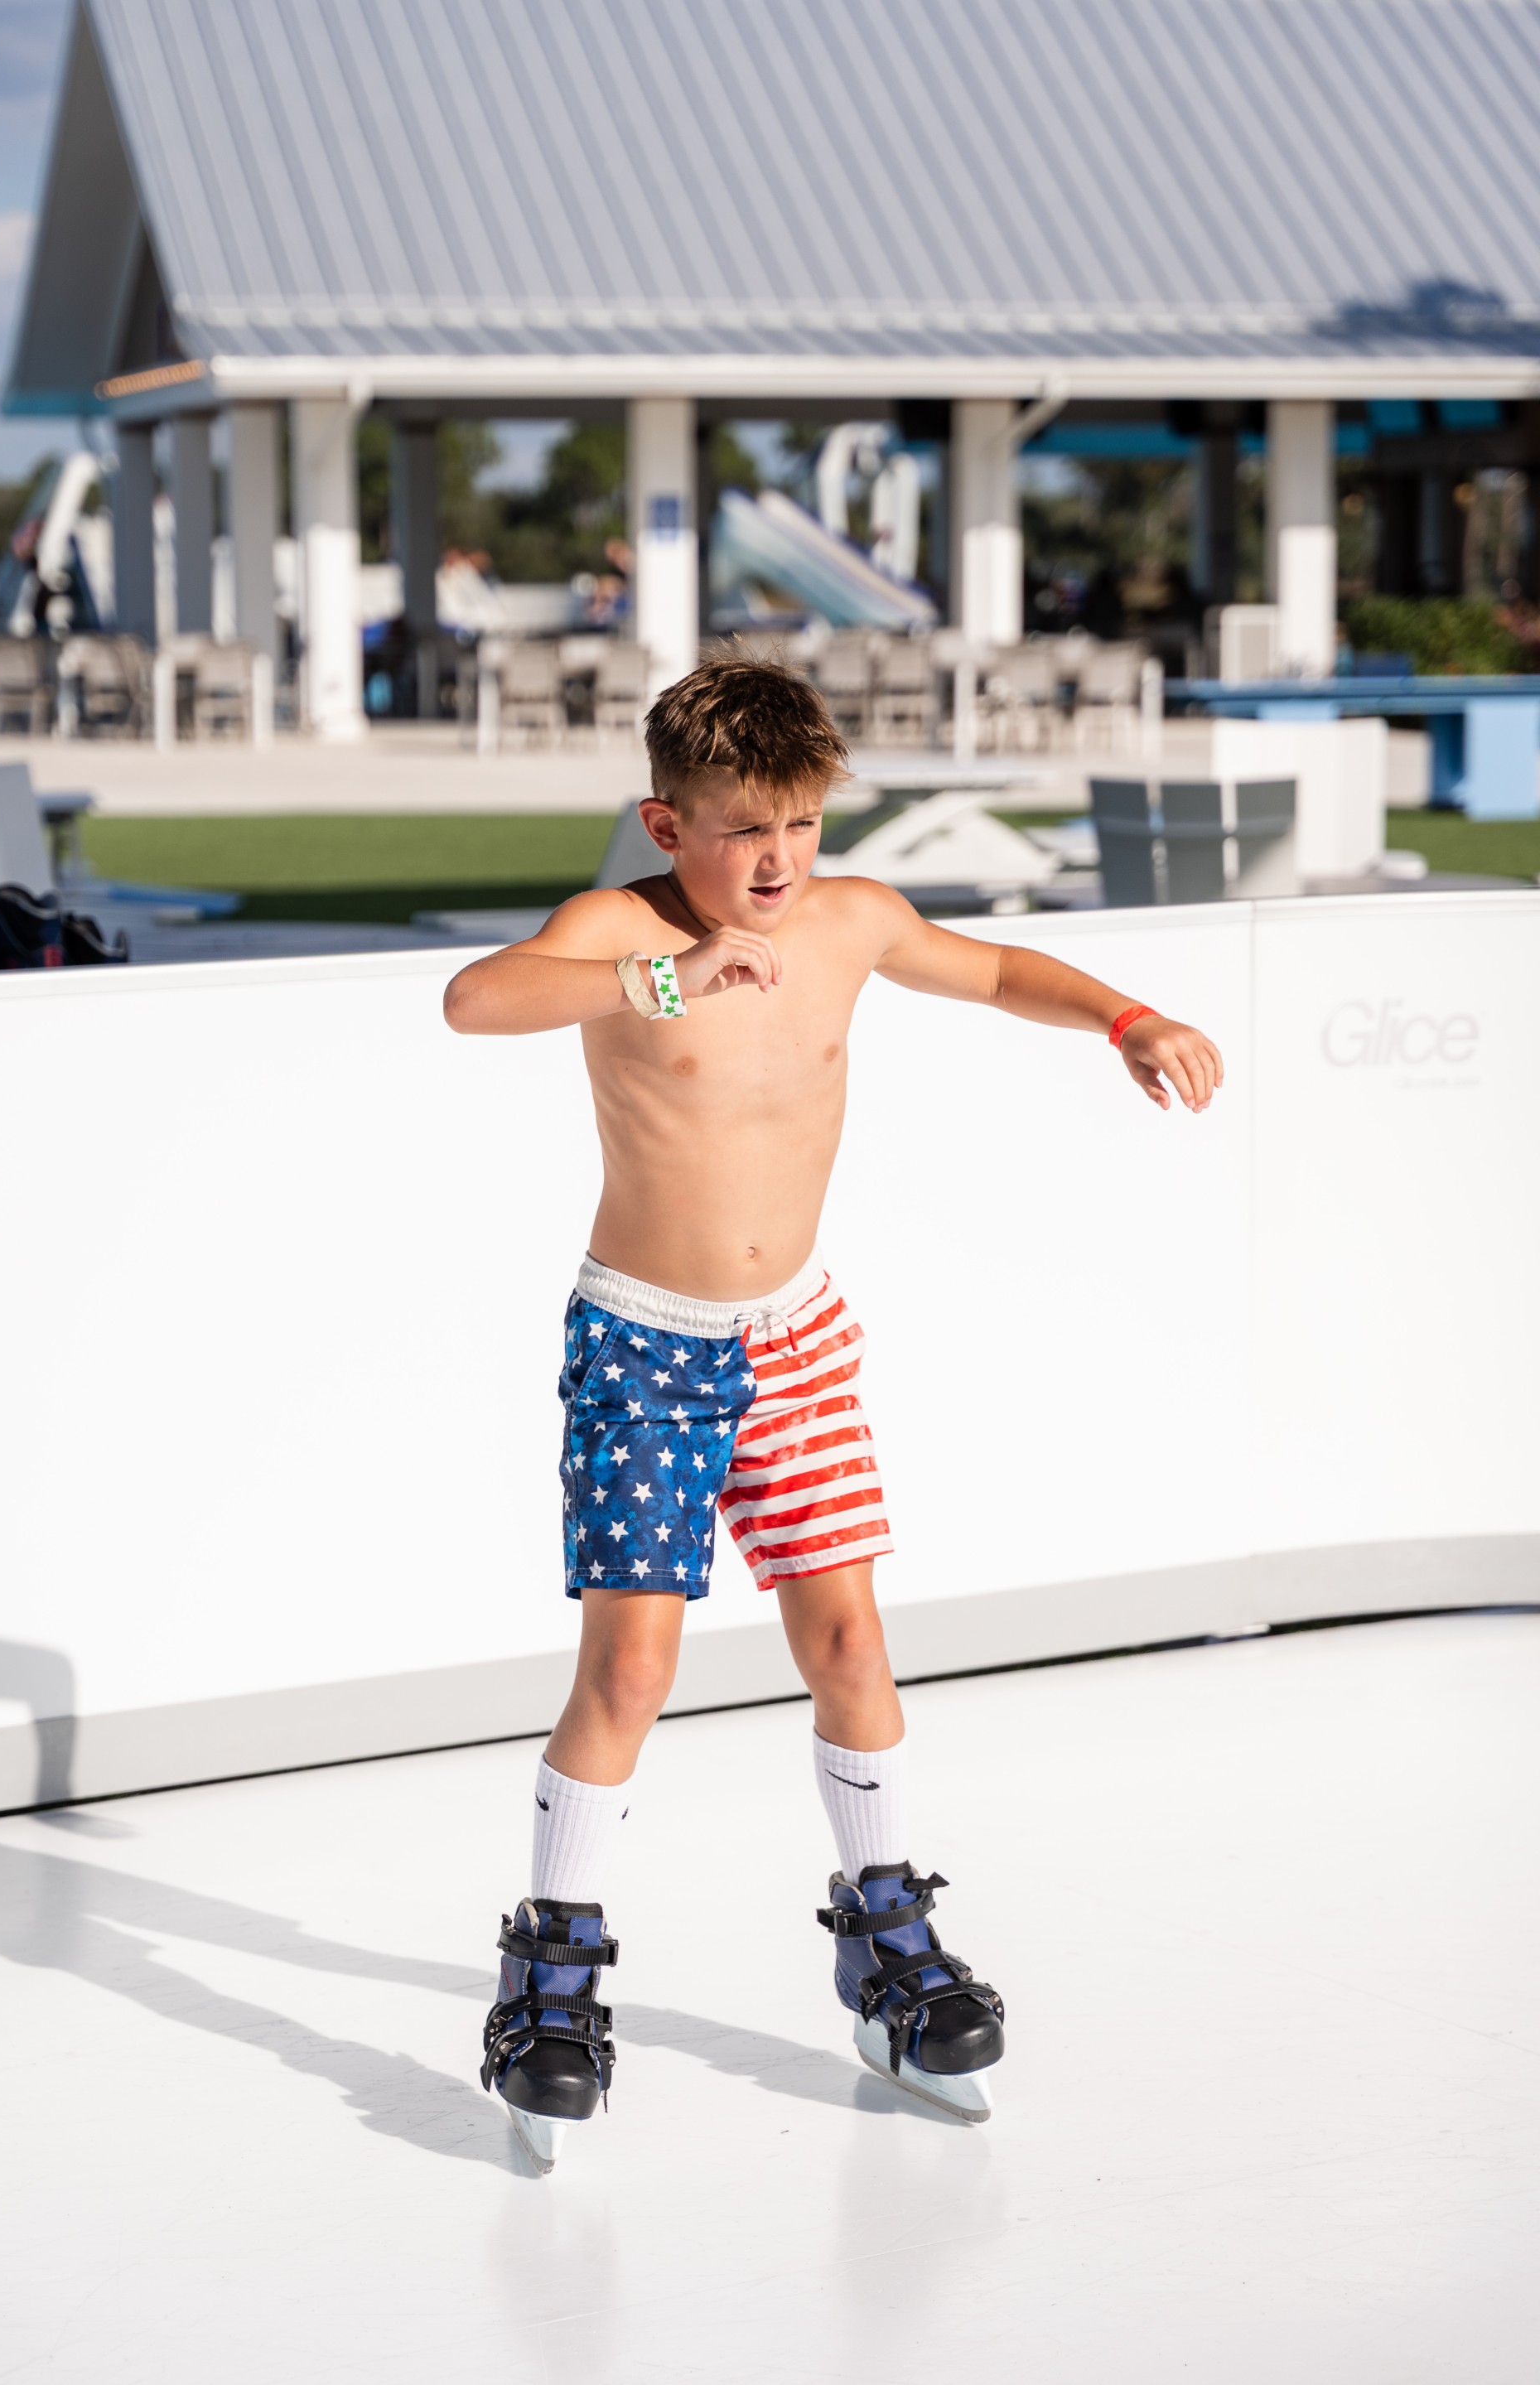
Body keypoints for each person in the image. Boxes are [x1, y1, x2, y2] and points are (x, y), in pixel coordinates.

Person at [443, 654, 1224, 2172]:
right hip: (646, 1349)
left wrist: (1126, 1018)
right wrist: (659, 977)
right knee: (634, 1664)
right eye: (744, 831)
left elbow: (994, 971)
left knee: (853, 1641)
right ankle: (550, 1965)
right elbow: (480, 1000)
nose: (777, 862)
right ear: (667, 825)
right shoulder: (626, 933)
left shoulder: (848, 921)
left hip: (797, 1342)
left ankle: (889, 1940)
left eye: (797, 825)